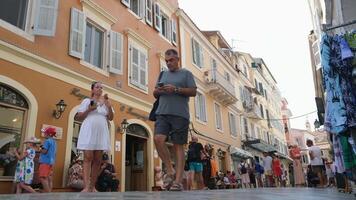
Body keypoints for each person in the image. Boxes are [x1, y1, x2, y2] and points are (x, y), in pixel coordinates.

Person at [153, 49, 197, 191]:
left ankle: (177, 181)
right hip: (162, 112)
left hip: (180, 114)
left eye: (171, 60)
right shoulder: (163, 74)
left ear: (177, 59)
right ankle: (170, 170)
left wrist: (176, 89)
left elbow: (193, 91)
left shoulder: (186, 74)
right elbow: (155, 92)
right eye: (166, 61)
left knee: (178, 146)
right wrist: (160, 90)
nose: (168, 63)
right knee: (158, 139)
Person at [75, 81, 114, 192]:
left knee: (98, 160)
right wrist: (89, 109)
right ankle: (86, 187)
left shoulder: (105, 102)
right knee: (88, 158)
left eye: (101, 87)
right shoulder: (87, 101)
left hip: (101, 132)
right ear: (92, 89)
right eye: (97, 87)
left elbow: (110, 118)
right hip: (89, 131)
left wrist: (109, 107)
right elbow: (79, 117)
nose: (100, 89)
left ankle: (92, 186)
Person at [39, 127, 57, 193]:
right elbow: (54, 153)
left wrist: (39, 149)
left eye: (45, 133)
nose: (44, 134)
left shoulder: (47, 141)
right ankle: (49, 192)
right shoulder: (54, 142)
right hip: (51, 162)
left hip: (45, 162)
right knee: (49, 178)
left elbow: (44, 151)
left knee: (43, 178)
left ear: (49, 134)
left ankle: (48, 193)